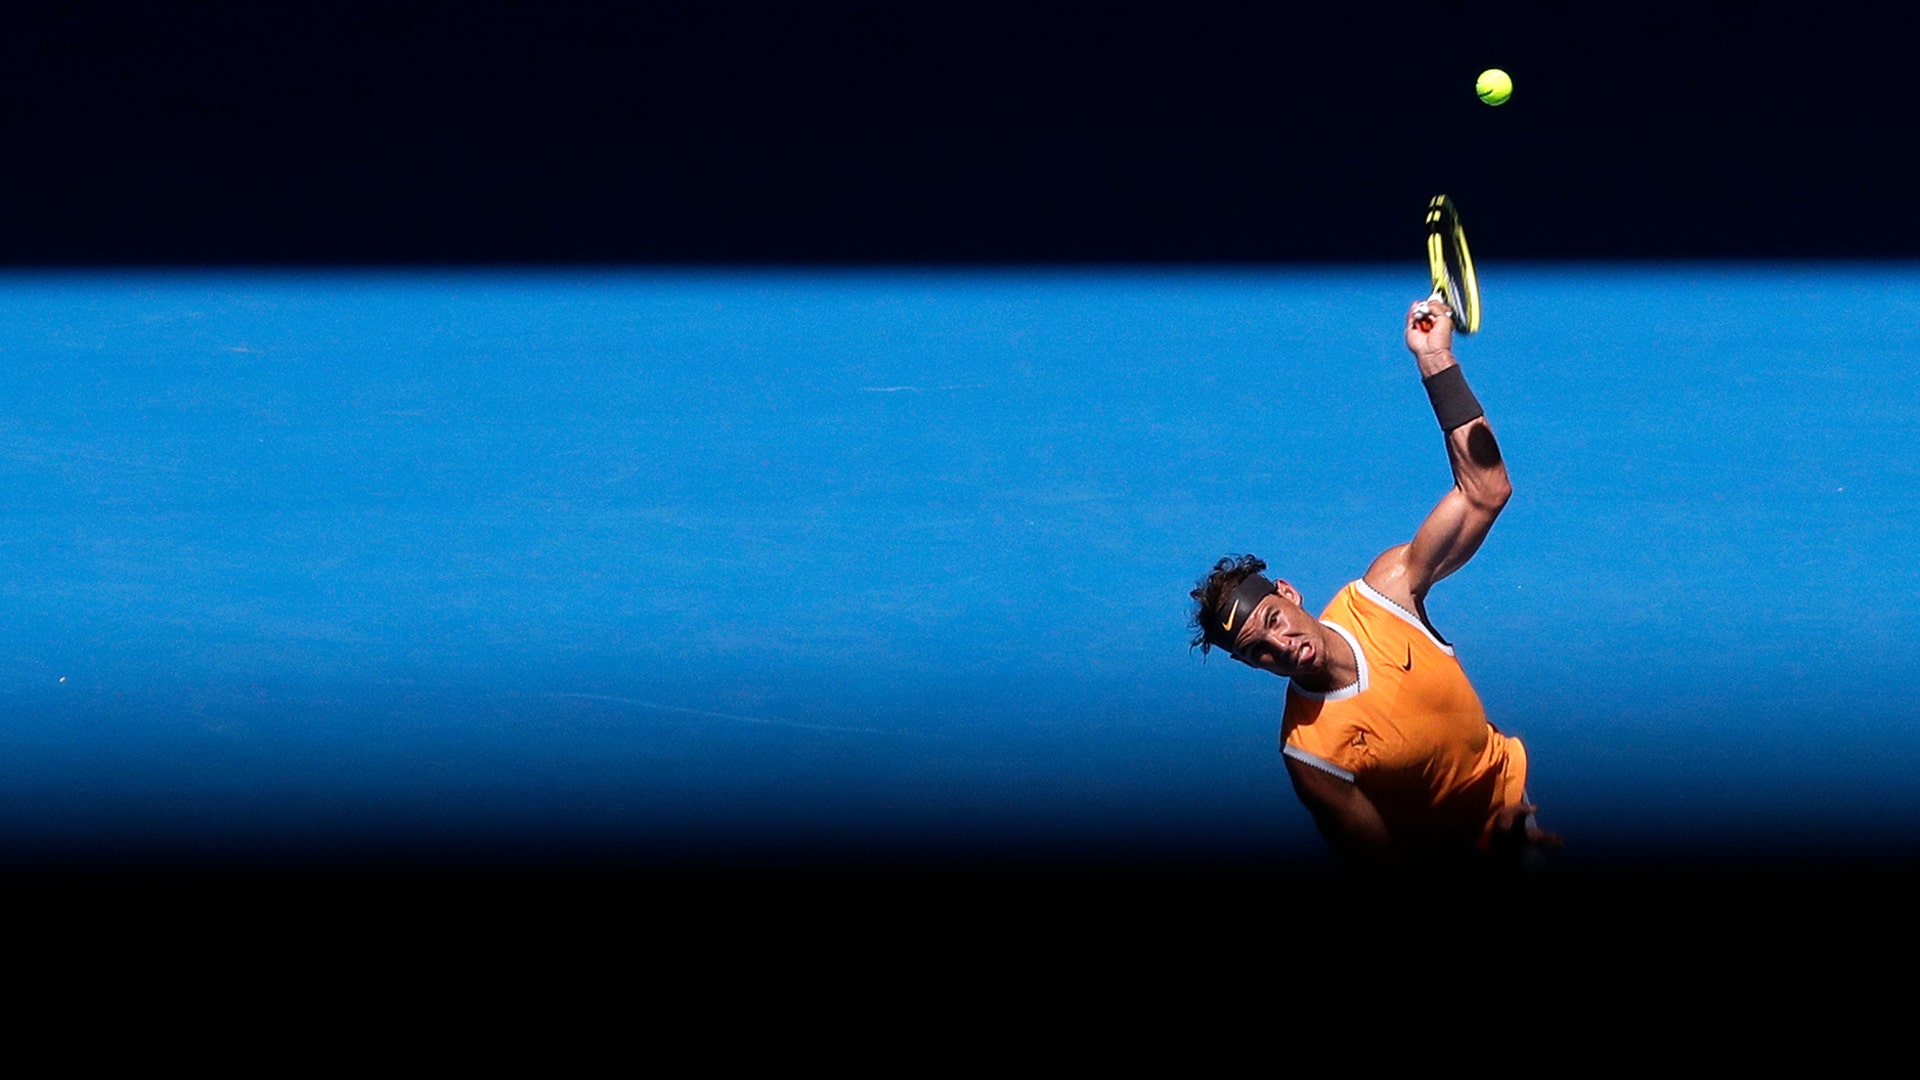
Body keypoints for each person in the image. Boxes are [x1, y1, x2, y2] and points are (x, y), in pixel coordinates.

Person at [1188, 297, 1554, 872]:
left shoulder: (1386, 593)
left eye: (1274, 622)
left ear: (1288, 593)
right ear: (1251, 664)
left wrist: (1436, 358)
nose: (1280, 647)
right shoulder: (1311, 754)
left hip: (1530, 797)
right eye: (1258, 650)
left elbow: (1485, 490)